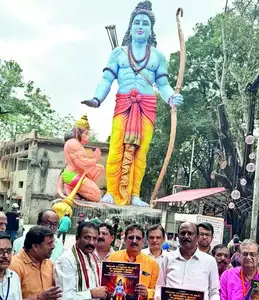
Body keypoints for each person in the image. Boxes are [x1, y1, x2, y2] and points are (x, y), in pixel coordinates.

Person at [82, 0, 183, 207]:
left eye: (145, 24)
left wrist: (172, 97)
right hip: (123, 104)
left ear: (151, 29)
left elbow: (163, 85)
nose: (140, 26)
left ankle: (134, 194)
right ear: (131, 26)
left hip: (147, 106)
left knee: (140, 152)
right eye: (137, 22)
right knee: (117, 147)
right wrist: (96, 99)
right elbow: (107, 79)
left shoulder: (158, 56)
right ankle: (111, 191)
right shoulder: (118, 53)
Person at [156, 222, 219, 300]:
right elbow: (159, 286)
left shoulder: (210, 261)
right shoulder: (167, 258)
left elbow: (214, 292)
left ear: (197, 237)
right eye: (182, 233)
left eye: (190, 233)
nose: (186, 236)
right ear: (178, 237)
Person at [55, 222, 108, 299]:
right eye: (87, 238)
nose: (91, 242)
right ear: (77, 238)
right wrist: (91, 294)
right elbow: (63, 297)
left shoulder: (93, 256)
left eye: (95, 239)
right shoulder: (66, 260)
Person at [107, 224, 159, 299]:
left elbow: (155, 289)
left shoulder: (152, 264)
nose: (134, 241)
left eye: (138, 238)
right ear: (124, 239)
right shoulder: (113, 258)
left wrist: (147, 292)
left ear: (143, 240)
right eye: (131, 238)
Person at [10, 226, 62, 299]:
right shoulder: (14, 266)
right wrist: (39, 297)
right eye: (49, 243)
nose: (53, 246)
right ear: (35, 246)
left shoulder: (48, 263)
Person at [60, 115, 104, 202]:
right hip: (72, 175)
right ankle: (71, 187)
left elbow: (83, 163)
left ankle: (76, 189)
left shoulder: (76, 143)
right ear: (77, 132)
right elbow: (82, 163)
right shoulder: (73, 143)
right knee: (96, 196)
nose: (88, 136)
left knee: (99, 168)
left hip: (77, 173)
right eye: (86, 133)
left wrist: (92, 160)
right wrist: (94, 159)